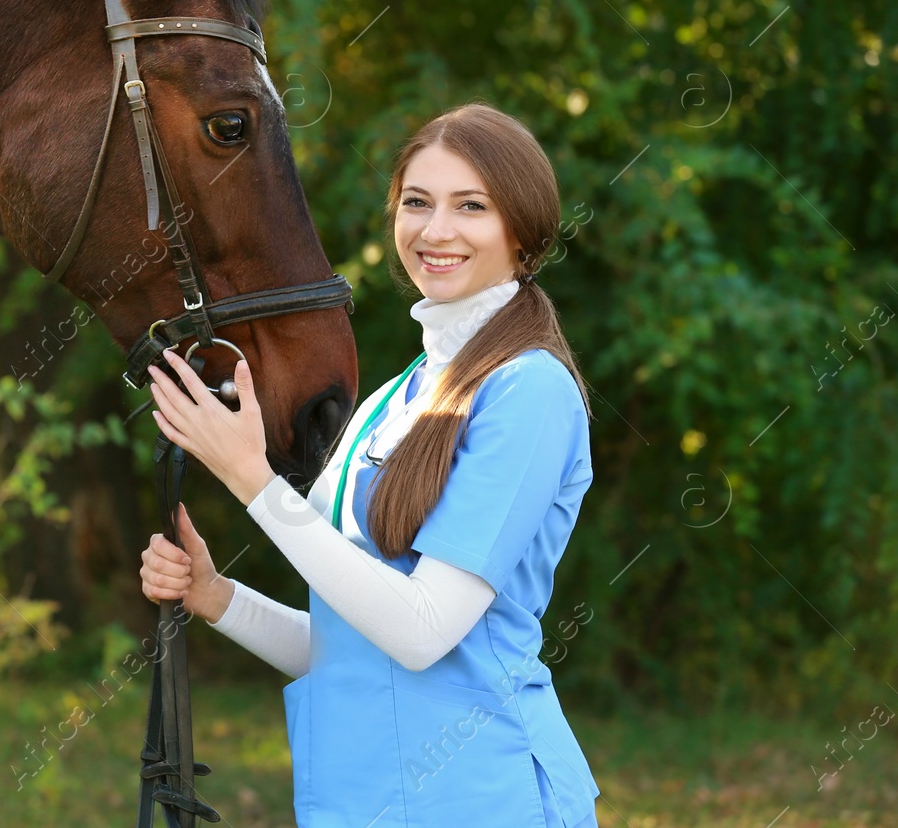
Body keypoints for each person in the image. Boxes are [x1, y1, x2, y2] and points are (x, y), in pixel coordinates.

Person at [140, 103, 601, 827]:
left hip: (483, 800)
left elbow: (421, 632)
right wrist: (216, 595)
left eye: (470, 206)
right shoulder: (396, 396)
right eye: (417, 202)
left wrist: (252, 480)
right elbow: (347, 650)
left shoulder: (529, 390)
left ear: (523, 230)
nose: (436, 229)